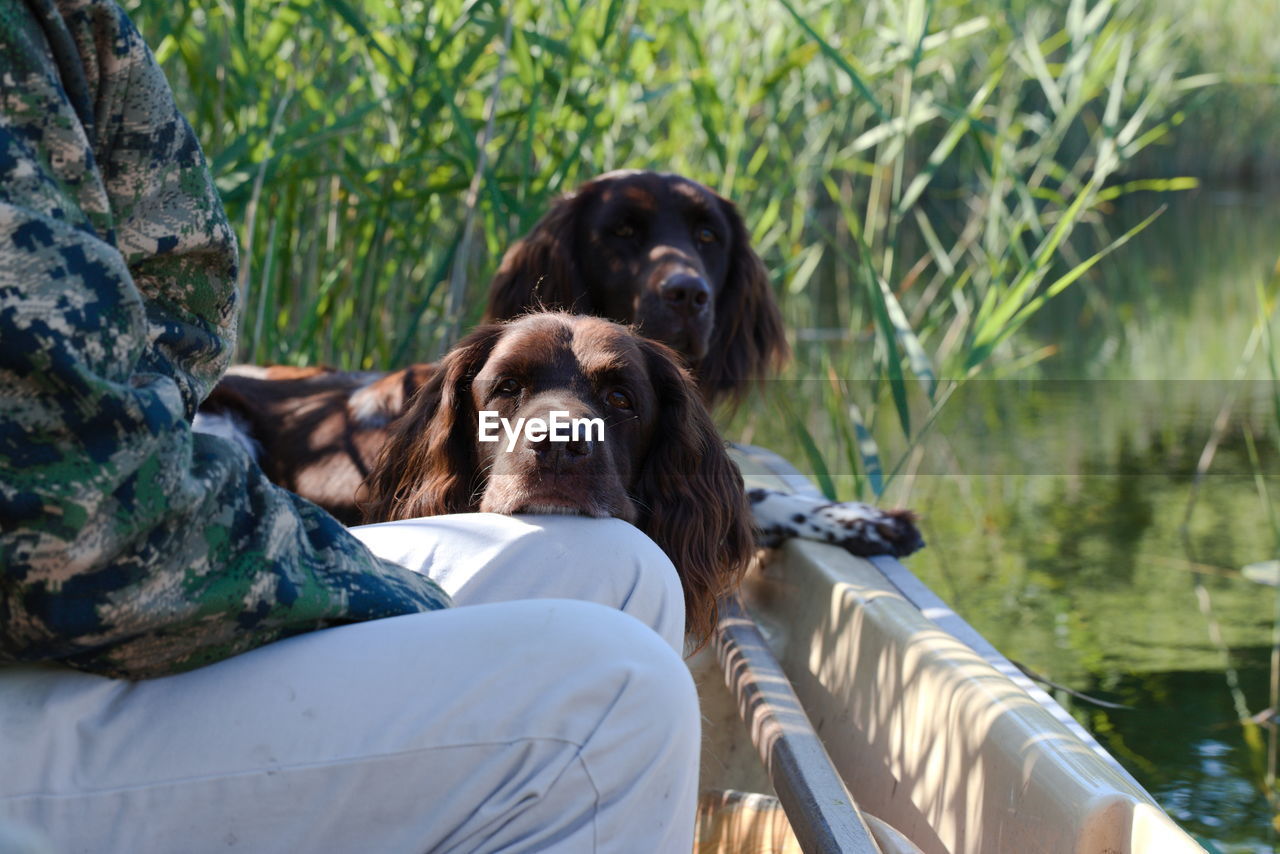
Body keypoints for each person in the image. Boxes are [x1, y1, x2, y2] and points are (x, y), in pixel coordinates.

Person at [0, 1, 700, 851]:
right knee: (623, 696)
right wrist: (397, 604)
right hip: (56, 632)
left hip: (113, 587)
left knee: (620, 569)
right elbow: (66, 522)